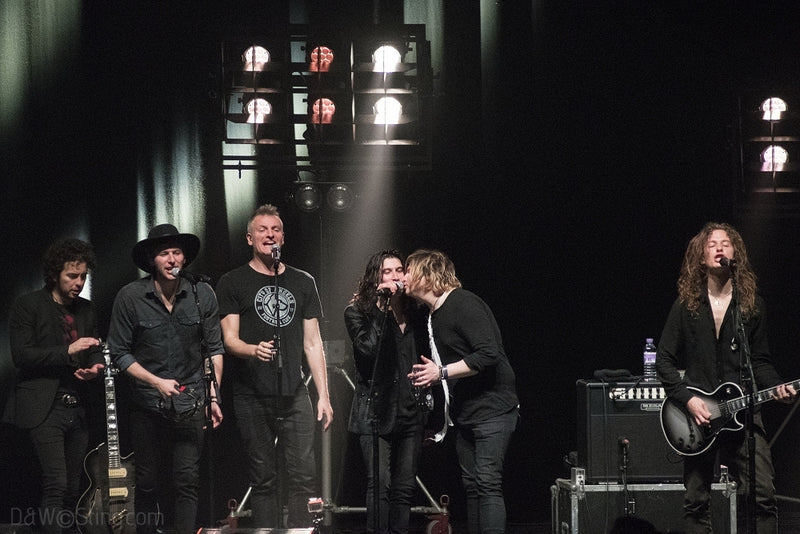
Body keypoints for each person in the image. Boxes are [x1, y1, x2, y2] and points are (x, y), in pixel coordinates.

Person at [656, 222, 796, 534]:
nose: (720, 247)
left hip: (744, 413)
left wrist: (777, 387)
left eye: (726, 243)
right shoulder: (686, 306)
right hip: (699, 418)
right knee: (696, 502)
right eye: (712, 244)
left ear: (736, 254)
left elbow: (760, 361)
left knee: (763, 496)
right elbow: (663, 360)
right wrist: (689, 400)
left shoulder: (751, 305)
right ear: (701, 256)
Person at [215, 203, 333, 528]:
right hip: (252, 395)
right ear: (249, 238)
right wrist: (254, 350)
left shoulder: (302, 281)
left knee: (303, 476)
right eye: (263, 230)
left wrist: (323, 395)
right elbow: (229, 339)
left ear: (283, 236)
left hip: (295, 393)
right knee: (263, 478)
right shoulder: (232, 281)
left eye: (276, 229)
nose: (270, 235)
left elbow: (313, 343)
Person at [107, 224, 224, 534]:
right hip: (147, 405)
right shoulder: (131, 297)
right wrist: (155, 381)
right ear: (152, 260)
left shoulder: (202, 294)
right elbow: (118, 352)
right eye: (164, 253)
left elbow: (214, 349)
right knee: (147, 482)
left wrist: (214, 397)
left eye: (176, 252)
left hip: (190, 403)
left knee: (187, 480)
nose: (172, 259)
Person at [404, 249, 519, 534]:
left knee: (488, 482)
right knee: (472, 486)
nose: (404, 277)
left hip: (493, 409)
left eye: (409, 270)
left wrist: (440, 372)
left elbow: (488, 354)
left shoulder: (463, 303)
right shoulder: (434, 315)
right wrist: (441, 422)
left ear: (427, 275)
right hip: (466, 413)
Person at [3, 238, 104, 534]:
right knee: (56, 483)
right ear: (55, 274)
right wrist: (68, 351)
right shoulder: (28, 304)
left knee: (74, 487)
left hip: (79, 406)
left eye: (83, 276)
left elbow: (95, 345)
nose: (79, 282)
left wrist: (96, 366)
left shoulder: (86, 308)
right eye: (72, 276)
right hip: (44, 406)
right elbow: (21, 355)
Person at [344, 250, 431, 534]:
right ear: (375, 278)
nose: (395, 276)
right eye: (387, 271)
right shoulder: (358, 312)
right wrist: (382, 309)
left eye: (398, 270)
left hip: (410, 409)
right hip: (375, 410)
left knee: (405, 488)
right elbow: (367, 351)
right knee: (380, 485)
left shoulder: (417, 312)